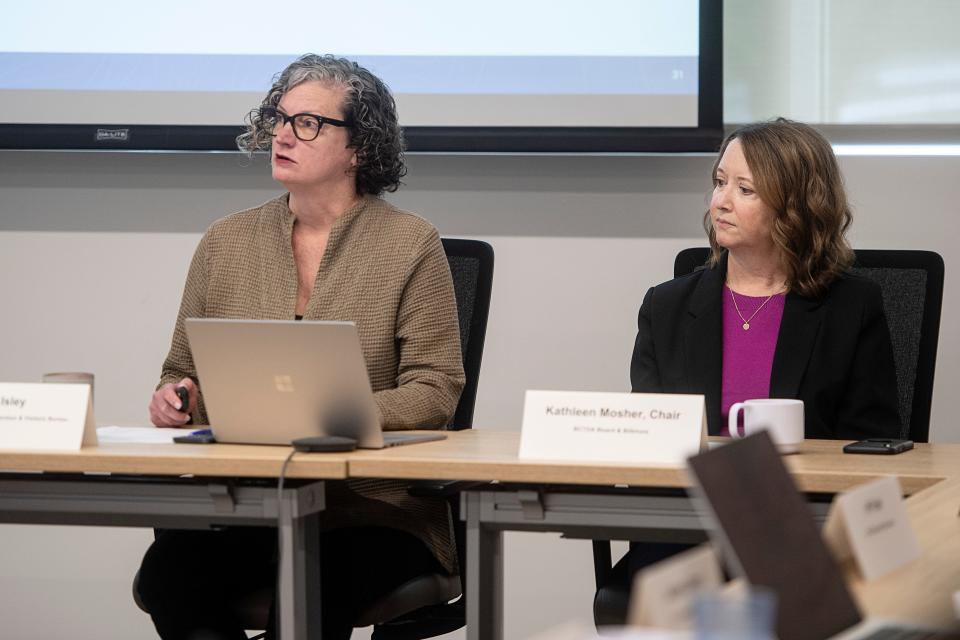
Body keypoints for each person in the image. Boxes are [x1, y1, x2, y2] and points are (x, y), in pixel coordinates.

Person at [136, 54, 465, 640]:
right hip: (249, 503)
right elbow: (181, 369)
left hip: (372, 511)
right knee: (170, 575)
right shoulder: (226, 240)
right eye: (278, 118)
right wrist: (176, 398)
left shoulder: (410, 243)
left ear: (360, 147)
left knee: (311, 589)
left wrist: (329, 413)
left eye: (308, 123)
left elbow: (436, 389)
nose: (282, 135)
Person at [603, 118, 901, 622]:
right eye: (719, 182)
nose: (720, 201)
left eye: (745, 189)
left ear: (796, 205)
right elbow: (648, 440)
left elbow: (873, 446)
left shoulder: (852, 307)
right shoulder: (667, 306)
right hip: (687, 529)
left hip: (806, 528)